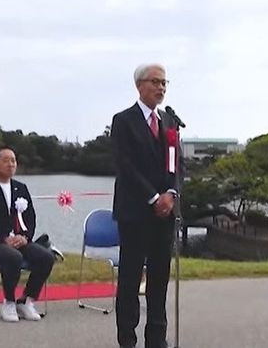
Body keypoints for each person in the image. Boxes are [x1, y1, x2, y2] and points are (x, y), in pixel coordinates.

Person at [110, 63, 183, 348]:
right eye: (155, 82)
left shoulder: (169, 122)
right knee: (129, 280)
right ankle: (127, 339)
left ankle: (157, 339)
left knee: (159, 281)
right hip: (135, 212)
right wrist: (153, 197)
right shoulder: (123, 120)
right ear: (140, 85)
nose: (161, 88)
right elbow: (124, 165)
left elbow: (177, 166)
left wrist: (171, 194)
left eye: (165, 82)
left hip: (165, 215)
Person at [0, 145, 56, 322]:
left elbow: (30, 217)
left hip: (19, 240)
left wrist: (25, 237)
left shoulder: (21, 188)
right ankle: (8, 301)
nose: (11, 164)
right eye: (6, 160)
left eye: (13, 160)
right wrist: (3, 238)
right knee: (13, 257)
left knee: (46, 257)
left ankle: (26, 300)